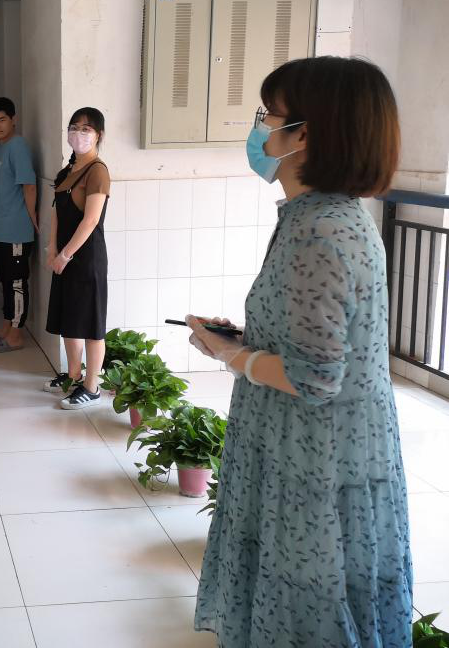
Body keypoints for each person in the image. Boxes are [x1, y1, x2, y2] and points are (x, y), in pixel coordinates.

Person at [184, 56, 412, 647]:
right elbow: (313, 337)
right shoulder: (313, 217)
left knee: (310, 605)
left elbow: (315, 378)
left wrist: (228, 355)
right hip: (303, 442)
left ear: (304, 134)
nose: (259, 128)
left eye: (268, 114)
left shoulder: (322, 231)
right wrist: (242, 340)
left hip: (316, 456)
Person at [44, 108, 110, 408]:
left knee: (91, 325)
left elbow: (91, 220)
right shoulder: (66, 171)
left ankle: (92, 387)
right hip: (64, 256)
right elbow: (57, 214)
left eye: (86, 129)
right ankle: (73, 376)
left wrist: (66, 254)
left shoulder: (97, 171)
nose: (78, 134)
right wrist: (52, 248)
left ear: (99, 135)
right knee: (69, 319)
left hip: (86, 259)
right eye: (74, 127)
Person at [0, 97, 38, 353]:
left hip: (16, 229)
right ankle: (6, 328)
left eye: (2, 120)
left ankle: (16, 335)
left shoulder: (18, 146)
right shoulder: (0, 146)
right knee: (5, 280)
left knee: (15, 284)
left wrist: (32, 217)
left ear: (13, 120)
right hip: (0, 228)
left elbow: (29, 185)